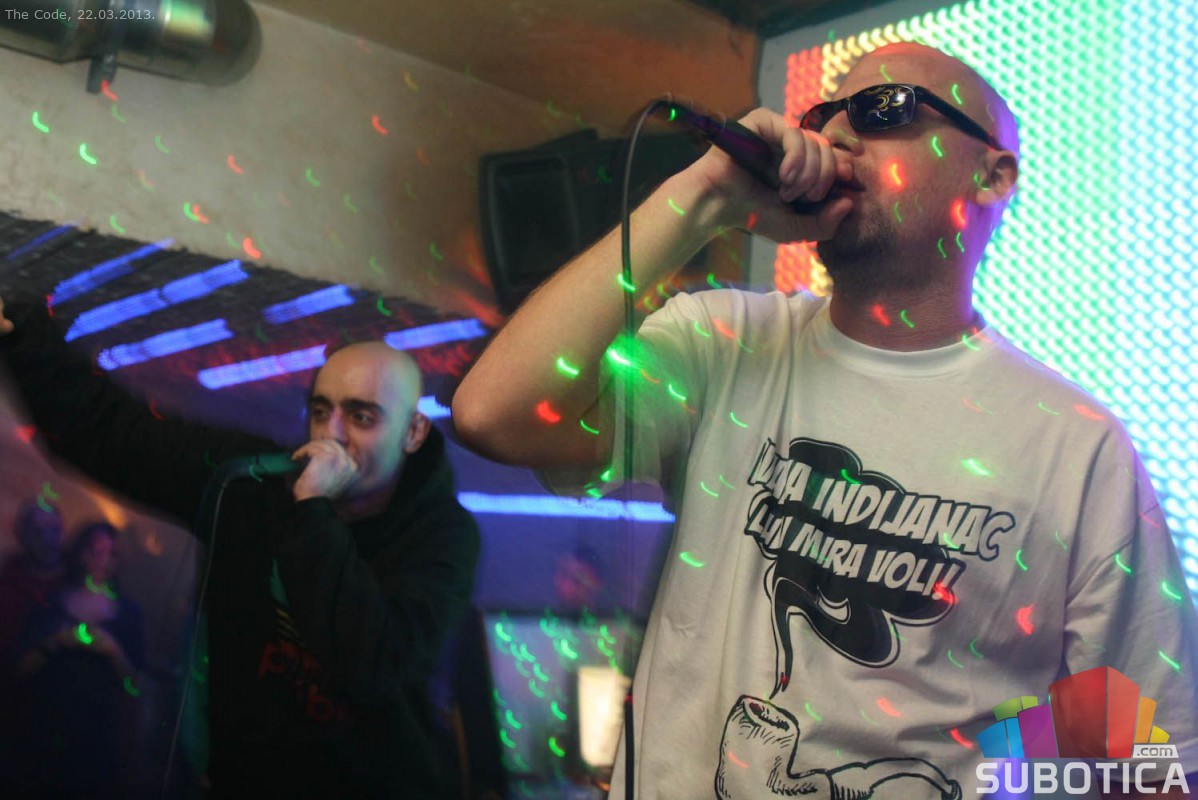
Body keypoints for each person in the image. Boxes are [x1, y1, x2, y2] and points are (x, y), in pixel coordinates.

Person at [452, 42, 1198, 798]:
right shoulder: (727, 343)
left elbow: (1147, 765)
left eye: (883, 109)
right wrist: (704, 199)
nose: (836, 134)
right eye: (823, 115)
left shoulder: (1075, 445)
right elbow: (494, 414)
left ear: (992, 175)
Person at [0, 302, 481, 797]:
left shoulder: (442, 535)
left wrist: (313, 510)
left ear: (413, 432)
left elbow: (375, 662)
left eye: (361, 417)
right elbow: (117, 435)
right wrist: (24, 337)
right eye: (321, 411)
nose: (331, 435)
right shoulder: (252, 484)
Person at [12, 520, 145, 797]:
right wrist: (55, 643)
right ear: (82, 554)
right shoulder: (51, 603)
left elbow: (135, 687)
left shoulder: (129, 615)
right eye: (96, 551)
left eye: (111, 553)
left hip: (98, 742)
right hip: (45, 735)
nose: (103, 560)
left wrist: (113, 651)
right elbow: (17, 672)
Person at [0, 501, 66, 790]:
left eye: (54, 531)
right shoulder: (8, 582)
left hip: (62, 719)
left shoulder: (76, 582)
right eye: (39, 532)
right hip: (12, 713)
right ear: (23, 535)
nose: (47, 540)